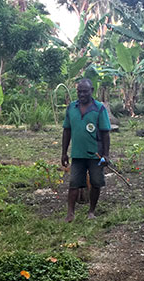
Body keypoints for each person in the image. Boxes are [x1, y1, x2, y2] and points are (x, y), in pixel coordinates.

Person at [61, 78, 111, 222]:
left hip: (96, 154)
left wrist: (106, 155)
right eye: (79, 91)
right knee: (74, 183)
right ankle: (70, 213)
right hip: (77, 154)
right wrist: (64, 152)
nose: (82, 94)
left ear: (92, 91)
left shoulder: (99, 108)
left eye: (85, 91)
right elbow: (67, 131)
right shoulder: (71, 108)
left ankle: (91, 211)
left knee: (96, 182)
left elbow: (105, 133)